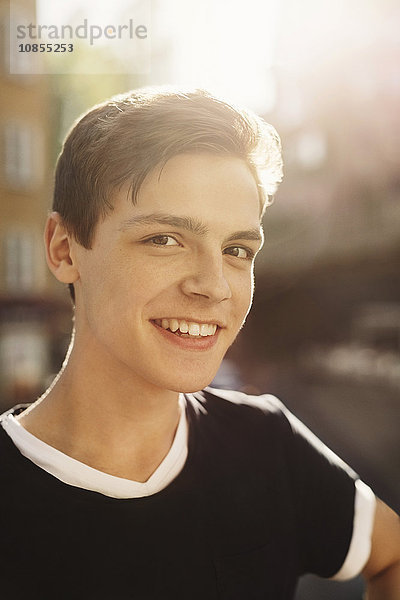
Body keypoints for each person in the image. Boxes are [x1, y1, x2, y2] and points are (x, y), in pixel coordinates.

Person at [0, 87, 399, 600]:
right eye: (165, 240)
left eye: (237, 249)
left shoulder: (268, 447)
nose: (214, 285)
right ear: (64, 248)